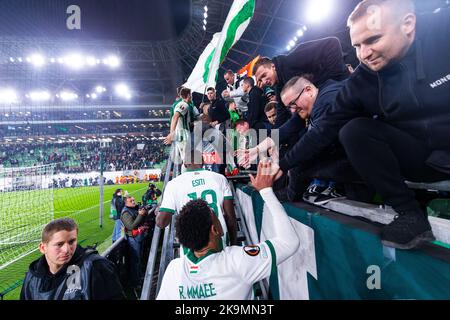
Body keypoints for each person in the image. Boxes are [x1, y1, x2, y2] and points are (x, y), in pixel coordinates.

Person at [272, 0, 450, 249]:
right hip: (421, 156)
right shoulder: (362, 81)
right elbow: (323, 130)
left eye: (373, 40)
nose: (364, 53)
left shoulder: (442, 29)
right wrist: (282, 164)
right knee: (354, 131)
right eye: (357, 45)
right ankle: (411, 215)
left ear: (408, 24)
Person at [156, 160, 300, 300]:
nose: (220, 218)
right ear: (215, 230)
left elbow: (161, 221)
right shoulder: (237, 261)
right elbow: (289, 242)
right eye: (216, 217)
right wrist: (267, 191)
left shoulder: (174, 271)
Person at [253, 37, 350, 127]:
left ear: (273, 66)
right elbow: (282, 114)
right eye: (260, 80)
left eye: (264, 75)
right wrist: (274, 139)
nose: (264, 81)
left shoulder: (291, 61)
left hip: (341, 93)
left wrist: (335, 82)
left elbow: (332, 43)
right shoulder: (279, 86)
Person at [21, 218, 124, 300]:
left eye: (71, 242)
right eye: (59, 244)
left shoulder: (95, 267)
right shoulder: (32, 277)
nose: (66, 250)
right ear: (43, 248)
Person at [157, 147, 238, 248]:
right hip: (220, 242)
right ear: (203, 162)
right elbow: (231, 218)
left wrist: (159, 208)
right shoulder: (220, 178)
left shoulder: (173, 184)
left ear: (185, 164)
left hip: (192, 247)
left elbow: (161, 223)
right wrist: (234, 245)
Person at [121, 196, 153, 293]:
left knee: (139, 260)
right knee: (135, 261)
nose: (134, 202)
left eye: (134, 200)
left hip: (139, 237)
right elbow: (131, 226)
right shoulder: (125, 212)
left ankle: (140, 278)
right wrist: (140, 215)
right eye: (131, 201)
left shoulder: (133, 209)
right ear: (126, 203)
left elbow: (142, 220)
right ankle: (136, 284)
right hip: (133, 239)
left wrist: (144, 212)